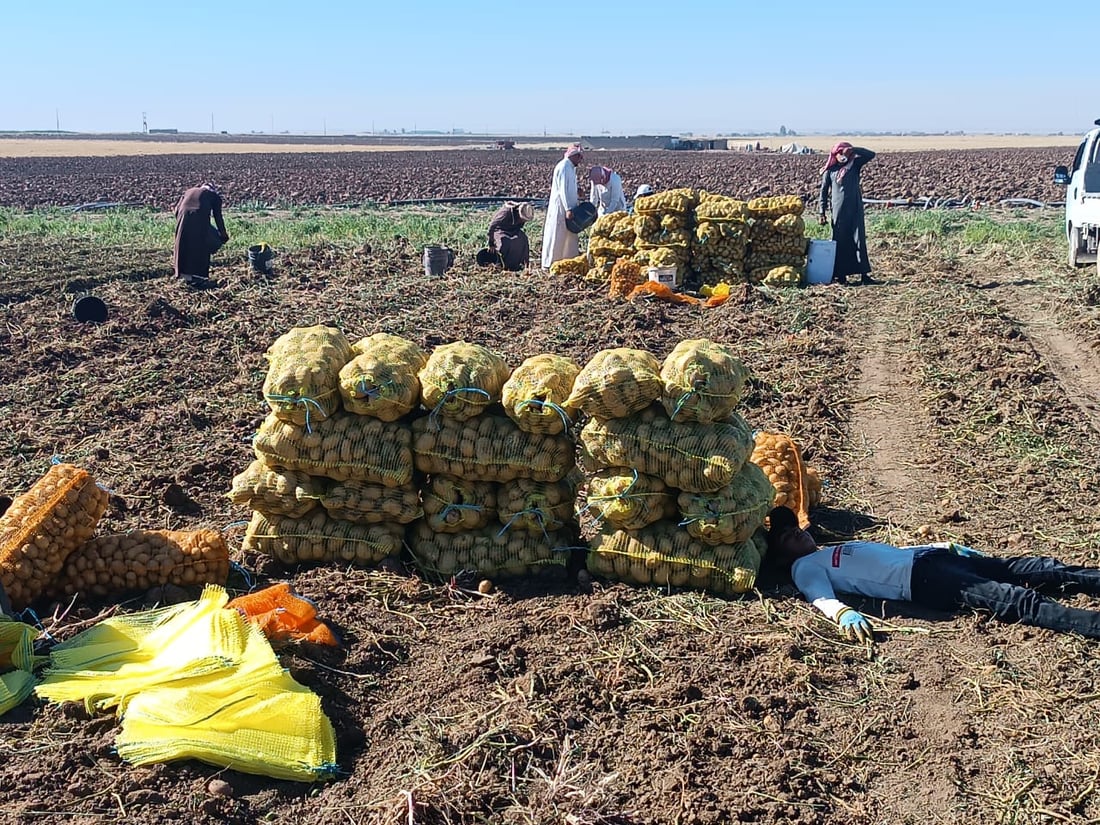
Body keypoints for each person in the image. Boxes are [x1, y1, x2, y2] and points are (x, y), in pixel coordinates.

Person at [766, 505, 1100, 642]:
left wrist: (943, 545)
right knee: (1016, 599)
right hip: (922, 582)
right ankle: (1092, 624)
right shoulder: (805, 567)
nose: (797, 533)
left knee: (1030, 568)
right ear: (783, 558)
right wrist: (843, 614)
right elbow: (819, 595)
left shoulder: (828, 550)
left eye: (795, 529)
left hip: (929, 560)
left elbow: (892, 554)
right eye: (787, 537)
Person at [818, 142, 876, 285]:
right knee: (840, 242)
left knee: (859, 240)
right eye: (840, 154)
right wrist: (822, 212)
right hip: (838, 212)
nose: (843, 157)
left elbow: (871, 154)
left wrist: (854, 149)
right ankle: (841, 275)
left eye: (846, 154)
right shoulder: (830, 171)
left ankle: (864, 275)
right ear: (835, 155)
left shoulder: (854, 165)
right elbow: (823, 192)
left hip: (855, 209)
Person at [174, 183, 229, 285]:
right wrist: (223, 235)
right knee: (202, 244)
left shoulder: (188, 191)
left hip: (182, 217)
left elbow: (176, 210)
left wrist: (182, 224)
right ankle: (199, 276)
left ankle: (183, 274)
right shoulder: (214, 196)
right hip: (199, 217)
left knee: (183, 243)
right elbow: (218, 217)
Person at [541, 143, 584, 269]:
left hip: (569, 208)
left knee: (568, 236)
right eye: (579, 157)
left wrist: (577, 190)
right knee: (557, 235)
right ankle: (550, 264)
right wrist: (568, 209)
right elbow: (563, 190)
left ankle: (567, 263)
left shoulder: (570, 168)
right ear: (573, 156)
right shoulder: (564, 167)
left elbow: (569, 187)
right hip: (561, 208)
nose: (580, 160)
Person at [486, 201, 533, 271]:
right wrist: (491, 243)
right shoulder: (506, 213)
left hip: (513, 230)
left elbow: (519, 228)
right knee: (505, 241)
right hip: (500, 230)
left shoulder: (521, 218)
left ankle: (523, 264)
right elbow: (493, 226)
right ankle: (500, 264)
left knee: (523, 239)